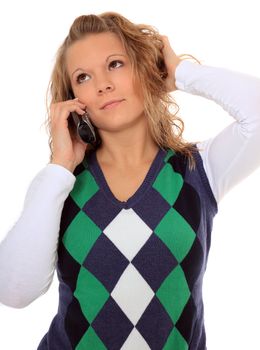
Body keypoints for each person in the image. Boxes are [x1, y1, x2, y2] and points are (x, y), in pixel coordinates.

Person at [0, 11, 259, 350]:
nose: (103, 84)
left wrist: (183, 73)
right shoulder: (59, 183)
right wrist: (60, 165)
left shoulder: (200, 169)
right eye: (83, 77)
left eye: (116, 64)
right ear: (73, 100)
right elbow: (14, 292)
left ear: (145, 68)